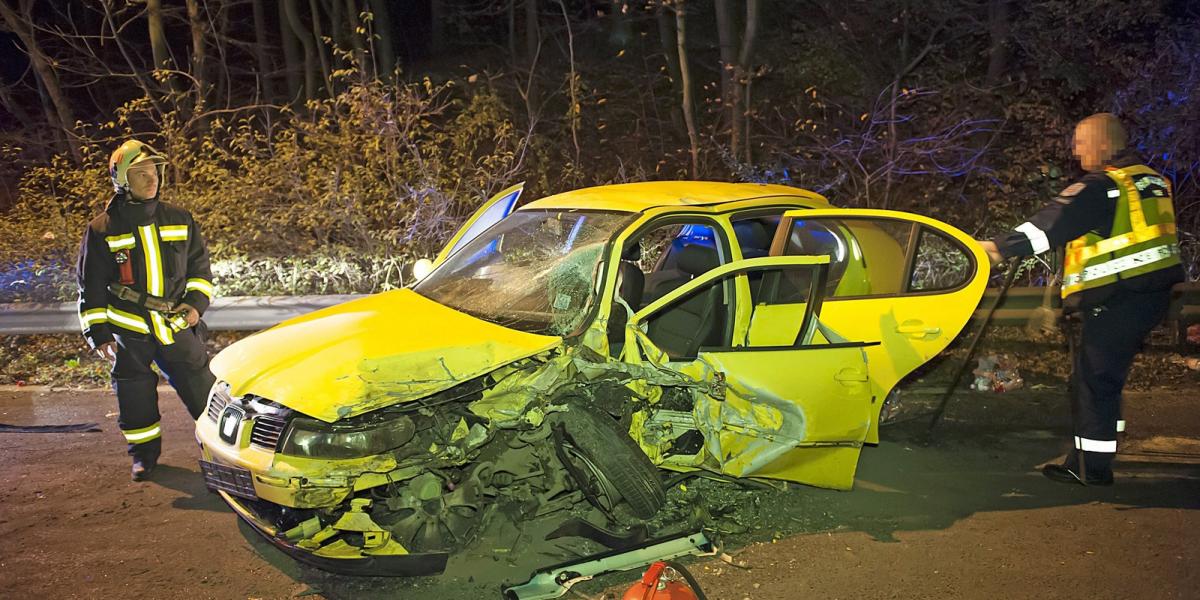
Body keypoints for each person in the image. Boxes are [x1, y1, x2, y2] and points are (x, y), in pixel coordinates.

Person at [978, 113, 1183, 486]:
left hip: (1118, 298)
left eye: (1081, 142)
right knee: (1106, 379)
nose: (1075, 149)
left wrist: (998, 248)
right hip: (1149, 296)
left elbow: (1050, 225)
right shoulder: (1151, 180)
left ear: (1104, 144)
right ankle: (1099, 450)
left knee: (1095, 381)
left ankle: (1090, 468)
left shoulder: (1104, 185)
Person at [76, 139, 217, 481]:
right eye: (140, 172)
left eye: (153, 170)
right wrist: (99, 333)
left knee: (205, 391)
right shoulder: (101, 229)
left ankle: (220, 450)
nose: (151, 178)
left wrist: (195, 305)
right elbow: (90, 287)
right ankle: (144, 455)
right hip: (128, 328)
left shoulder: (180, 218)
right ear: (121, 180)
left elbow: (201, 271)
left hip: (175, 326)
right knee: (134, 394)